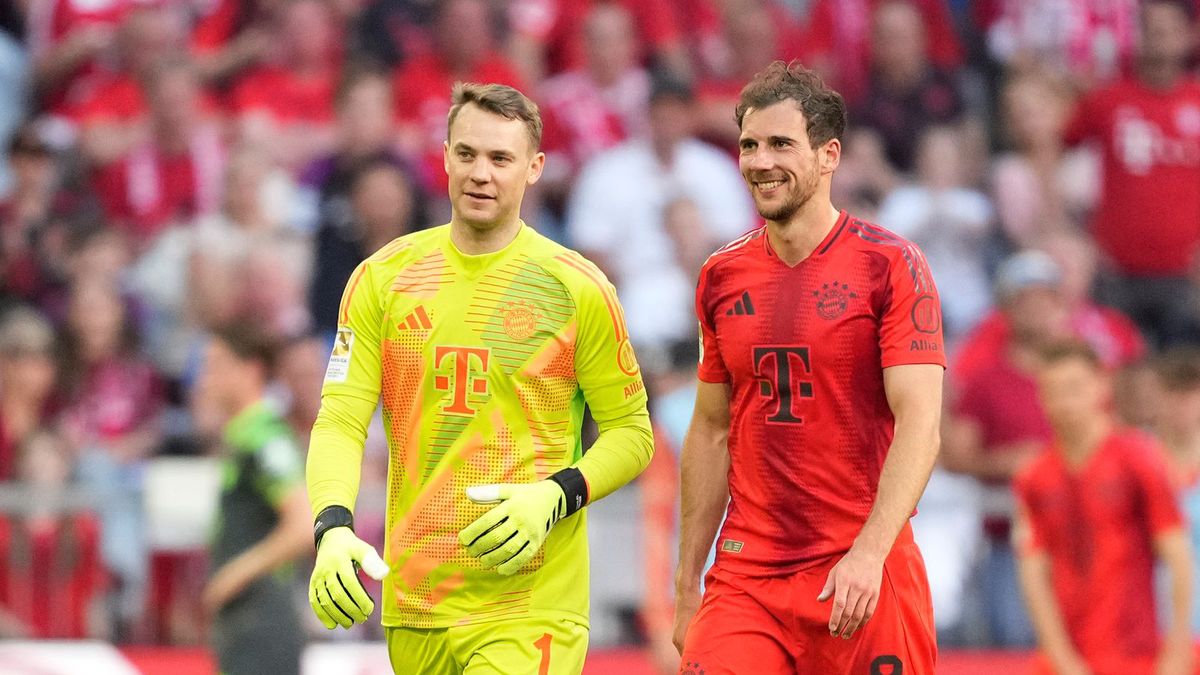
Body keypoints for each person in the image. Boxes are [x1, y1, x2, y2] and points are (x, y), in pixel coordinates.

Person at [305, 82, 653, 674]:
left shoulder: (577, 288)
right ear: (443, 157)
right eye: (467, 154)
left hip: (529, 603)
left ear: (534, 168)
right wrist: (332, 528)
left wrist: (554, 495)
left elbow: (632, 433)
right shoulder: (381, 280)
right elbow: (339, 419)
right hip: (415, 604)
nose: (480, 173)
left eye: (500, 159)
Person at [673, 60, 944, 674]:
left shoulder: (892, 266)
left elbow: (920, 424)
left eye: (779, 144)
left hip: (861, 566)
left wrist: (870, 553)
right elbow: (712, 429)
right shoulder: (720, 275)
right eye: (748, 145)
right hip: (748, 578)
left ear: (828, 156)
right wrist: (688, 582)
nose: (760, 161)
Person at [1014, 342, 1193, 675]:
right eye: (1053, 391)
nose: (1065, 402)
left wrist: (1176, 648)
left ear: (1102, 385)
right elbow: (1033, 572)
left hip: (1135, 655)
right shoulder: (1034, 475)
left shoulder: (1139, 458)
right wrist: (1061, 658)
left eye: (1074, 389)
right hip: (1065, 659)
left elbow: (1178, 555)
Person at [196, 325, 311, 675]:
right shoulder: (242, 437)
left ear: (251, 369)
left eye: (217, 365)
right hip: (245, 620)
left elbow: (303, 525)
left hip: (262, 618)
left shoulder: (264, 438)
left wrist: (237, 572)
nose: (206, 377)